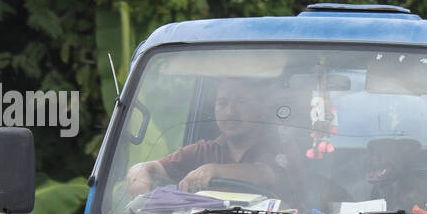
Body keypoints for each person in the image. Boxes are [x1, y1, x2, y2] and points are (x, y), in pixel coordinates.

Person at [126, 78, 299, 196]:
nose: (230, 112)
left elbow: (265, 173)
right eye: (222, 103)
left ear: (263, 108)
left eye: (241, 102)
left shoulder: (281, 146)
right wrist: (139, 171)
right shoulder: (203, 150)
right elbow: (153, 167)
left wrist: (215, 170)